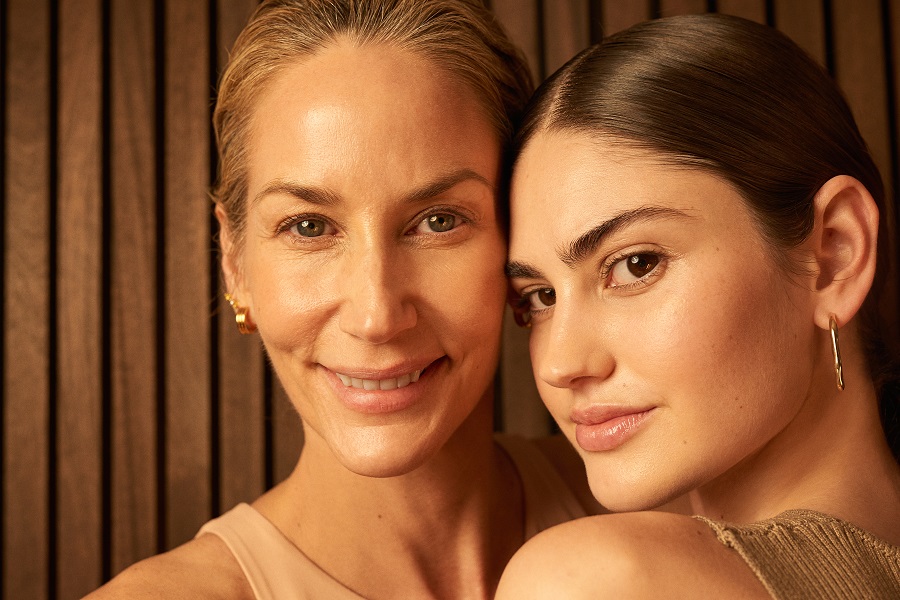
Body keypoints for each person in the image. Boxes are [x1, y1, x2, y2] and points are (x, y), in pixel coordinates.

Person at [87, 1, 599, 598]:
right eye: (309, 227)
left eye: (437, 221)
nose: (376, 316)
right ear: (236, 263)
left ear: (518, 238)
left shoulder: (665, 512)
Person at [498, 13, 900, 599]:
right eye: (539, 298)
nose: (560, 364)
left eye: (636, 264)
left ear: (835, 254)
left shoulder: (599, 581)